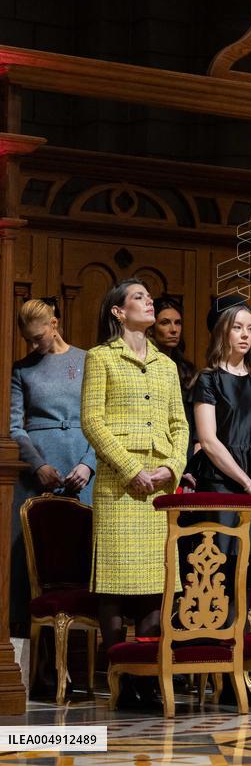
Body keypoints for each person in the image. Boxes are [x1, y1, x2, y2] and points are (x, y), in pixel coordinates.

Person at [81, 278, 189, 707]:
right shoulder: (101, 358)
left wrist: (171, 466)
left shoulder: (165, 364)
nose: (149, 304)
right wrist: (130, 469)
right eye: (139, 298)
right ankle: (121, 678)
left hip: (159, 488)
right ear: (118, 312)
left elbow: (180, 425)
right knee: (115, 584)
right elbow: (93, 420)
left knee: (154, 585)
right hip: (120, 486)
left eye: (149, 297)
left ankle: (147, 675)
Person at [10, 298, 94, 638]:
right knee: (34, 559)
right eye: (28, 339)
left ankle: (85, 649)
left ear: (54, 324)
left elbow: (103, 420)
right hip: (40, 472)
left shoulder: (87, 360)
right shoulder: (22, 369)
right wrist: (38, 464)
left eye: (37, 337)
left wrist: (88, 466)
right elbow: (15, 427)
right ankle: (34, 652)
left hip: (82, 465)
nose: (33, 345)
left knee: (82, 555)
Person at [187, 293, 251, 512]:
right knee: (220, 545)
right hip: (220, 479)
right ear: (222, 331)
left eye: (250, 329)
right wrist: (246, 484)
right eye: (237, 327)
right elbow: (208, 440)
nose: (245, 335)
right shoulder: (208, 379)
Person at [150, 295, 197, 459]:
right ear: (151, 327)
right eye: (165, 322)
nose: (174, 329)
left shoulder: (187, 370)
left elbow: (190, 421)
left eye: (178, 322)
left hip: (185, 453)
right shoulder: (144, 367)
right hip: (153, 452)